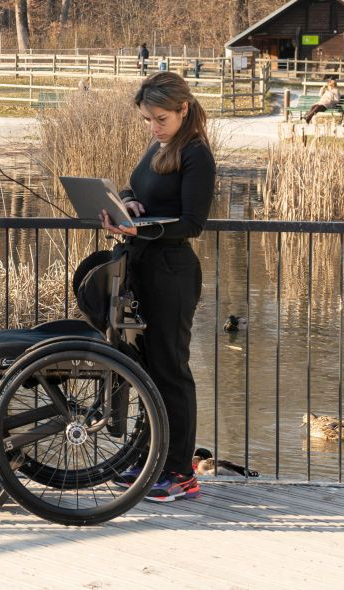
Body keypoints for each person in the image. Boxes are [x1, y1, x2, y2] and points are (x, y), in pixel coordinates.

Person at [99, 71, 216, 502]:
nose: (153, 126)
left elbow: (192, 224)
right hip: (144, 268)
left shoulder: (196, 154)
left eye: (160, 118)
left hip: (172, 272)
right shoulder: (159, 146)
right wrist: (127, 203)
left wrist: (139, 231)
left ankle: (181, 473)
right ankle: (153, 461)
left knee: (172, 373)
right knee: (148, 373)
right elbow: (136, 185)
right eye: (148, 119)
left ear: (183, 110)